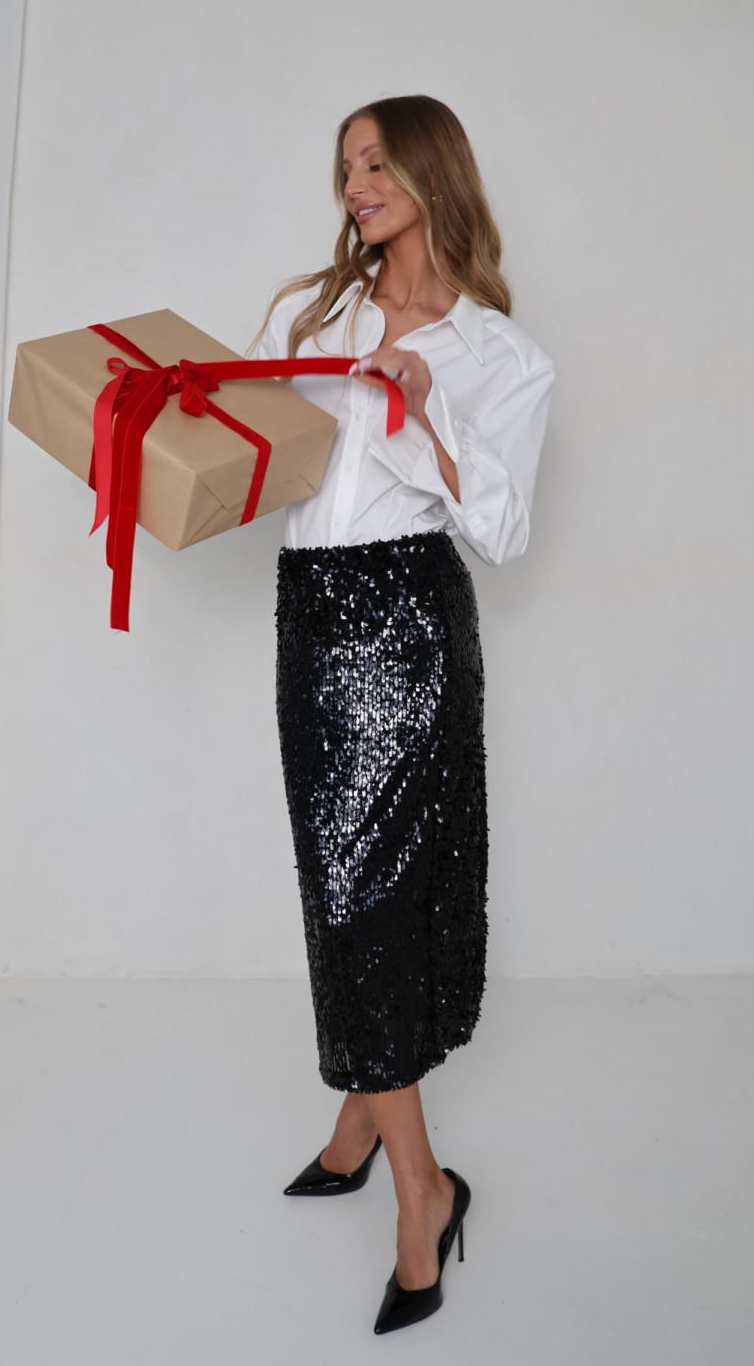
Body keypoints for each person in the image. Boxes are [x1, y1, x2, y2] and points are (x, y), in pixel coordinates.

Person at [254, 94, 554, 1335]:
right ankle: (359, 1121)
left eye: (376, 162)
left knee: (371, 898)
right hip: (309, 615)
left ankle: (420, 1190)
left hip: (407, 628)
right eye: (344, 168)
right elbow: (260, 459)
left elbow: (506, 531)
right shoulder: (309, 314)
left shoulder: (501, 356)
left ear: (433, 172)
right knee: (335, 884)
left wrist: (425, 406)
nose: (356, 185)